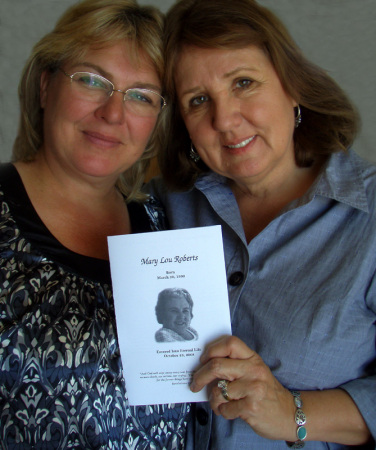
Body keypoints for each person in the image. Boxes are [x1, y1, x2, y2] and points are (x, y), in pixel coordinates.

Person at [146, 0, 376, 448]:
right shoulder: (162, 208)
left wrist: (294, 413)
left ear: (293, 87)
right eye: (198, 101)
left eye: (244, 83)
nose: (225, 120)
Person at [0, 1, 190, 448]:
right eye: (92, 80)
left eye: (141, 95)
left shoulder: (168, 226)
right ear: (45, 86)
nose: (112, 113)